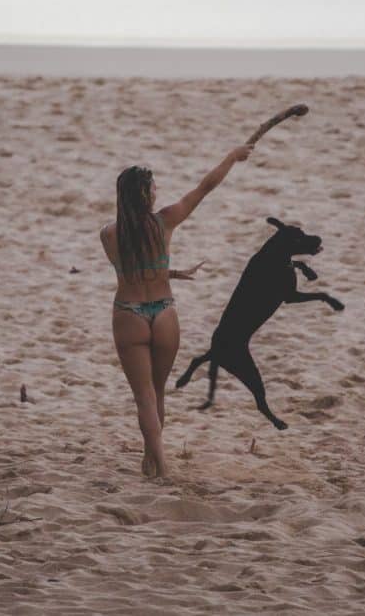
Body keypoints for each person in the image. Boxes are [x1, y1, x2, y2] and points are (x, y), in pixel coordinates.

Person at [100, 144, 254, 478]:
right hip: (164, 313)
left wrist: (170, 271)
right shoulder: (165, 221)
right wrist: (231, 157)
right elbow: (205, 188)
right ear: (144, 194)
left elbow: (129, 270)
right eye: (153, 188)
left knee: (143, 397)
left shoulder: (109, 234)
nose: (157, 192)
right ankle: (156, 460)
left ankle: (159, 462)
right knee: (158, 391)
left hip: (129, 314)